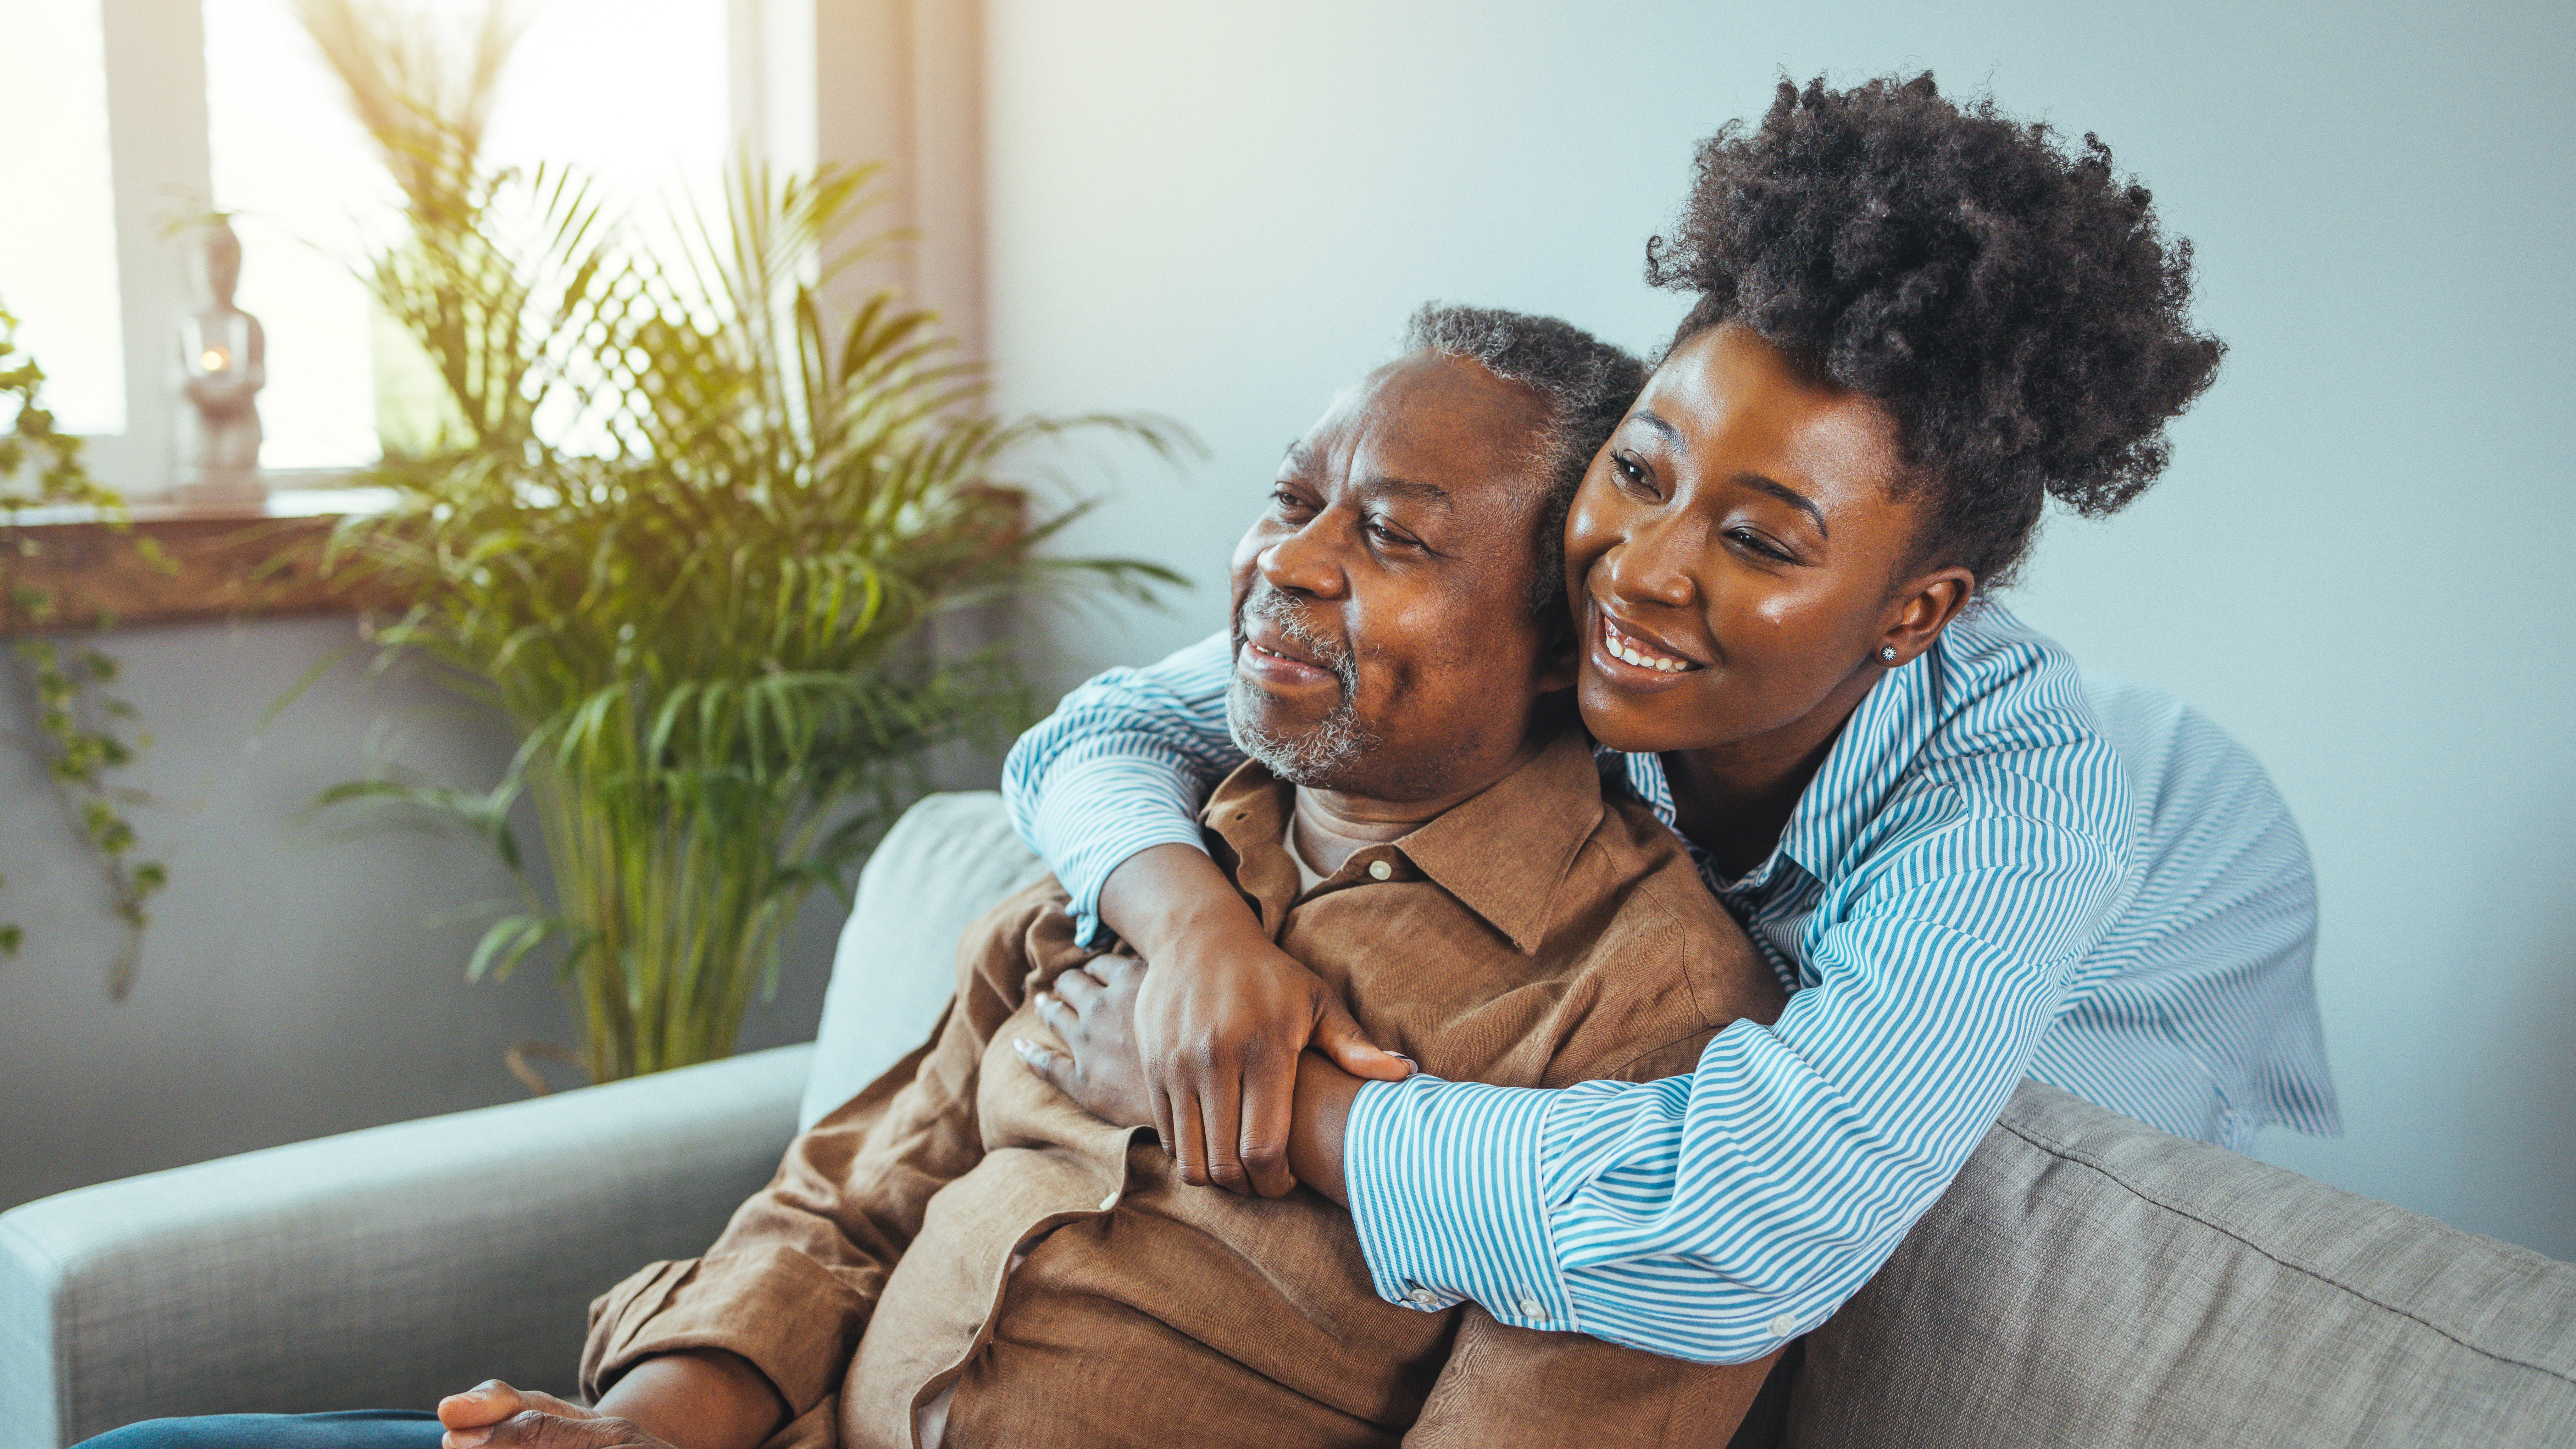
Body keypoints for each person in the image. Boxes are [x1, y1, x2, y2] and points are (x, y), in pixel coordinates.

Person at [79, 308, 1792, 1449]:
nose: (1289, 563)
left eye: (1396, 537)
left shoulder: (1646, 1007)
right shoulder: (1155, 847)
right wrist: (633, 1434)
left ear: (1572, 644)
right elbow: (847, 1205)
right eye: (1293, 501)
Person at [1004, 73, 2340, 1368]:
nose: (1637, 568)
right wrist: (1193, 936)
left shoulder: (2011, 809)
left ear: (1914, 610)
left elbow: (1734, 1236)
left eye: (1758, 542)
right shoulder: (1576, 611)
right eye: (1638, 471)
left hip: (2176, 909)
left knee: (1971, 1255)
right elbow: (1103, 733)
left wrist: (1287, 1108)